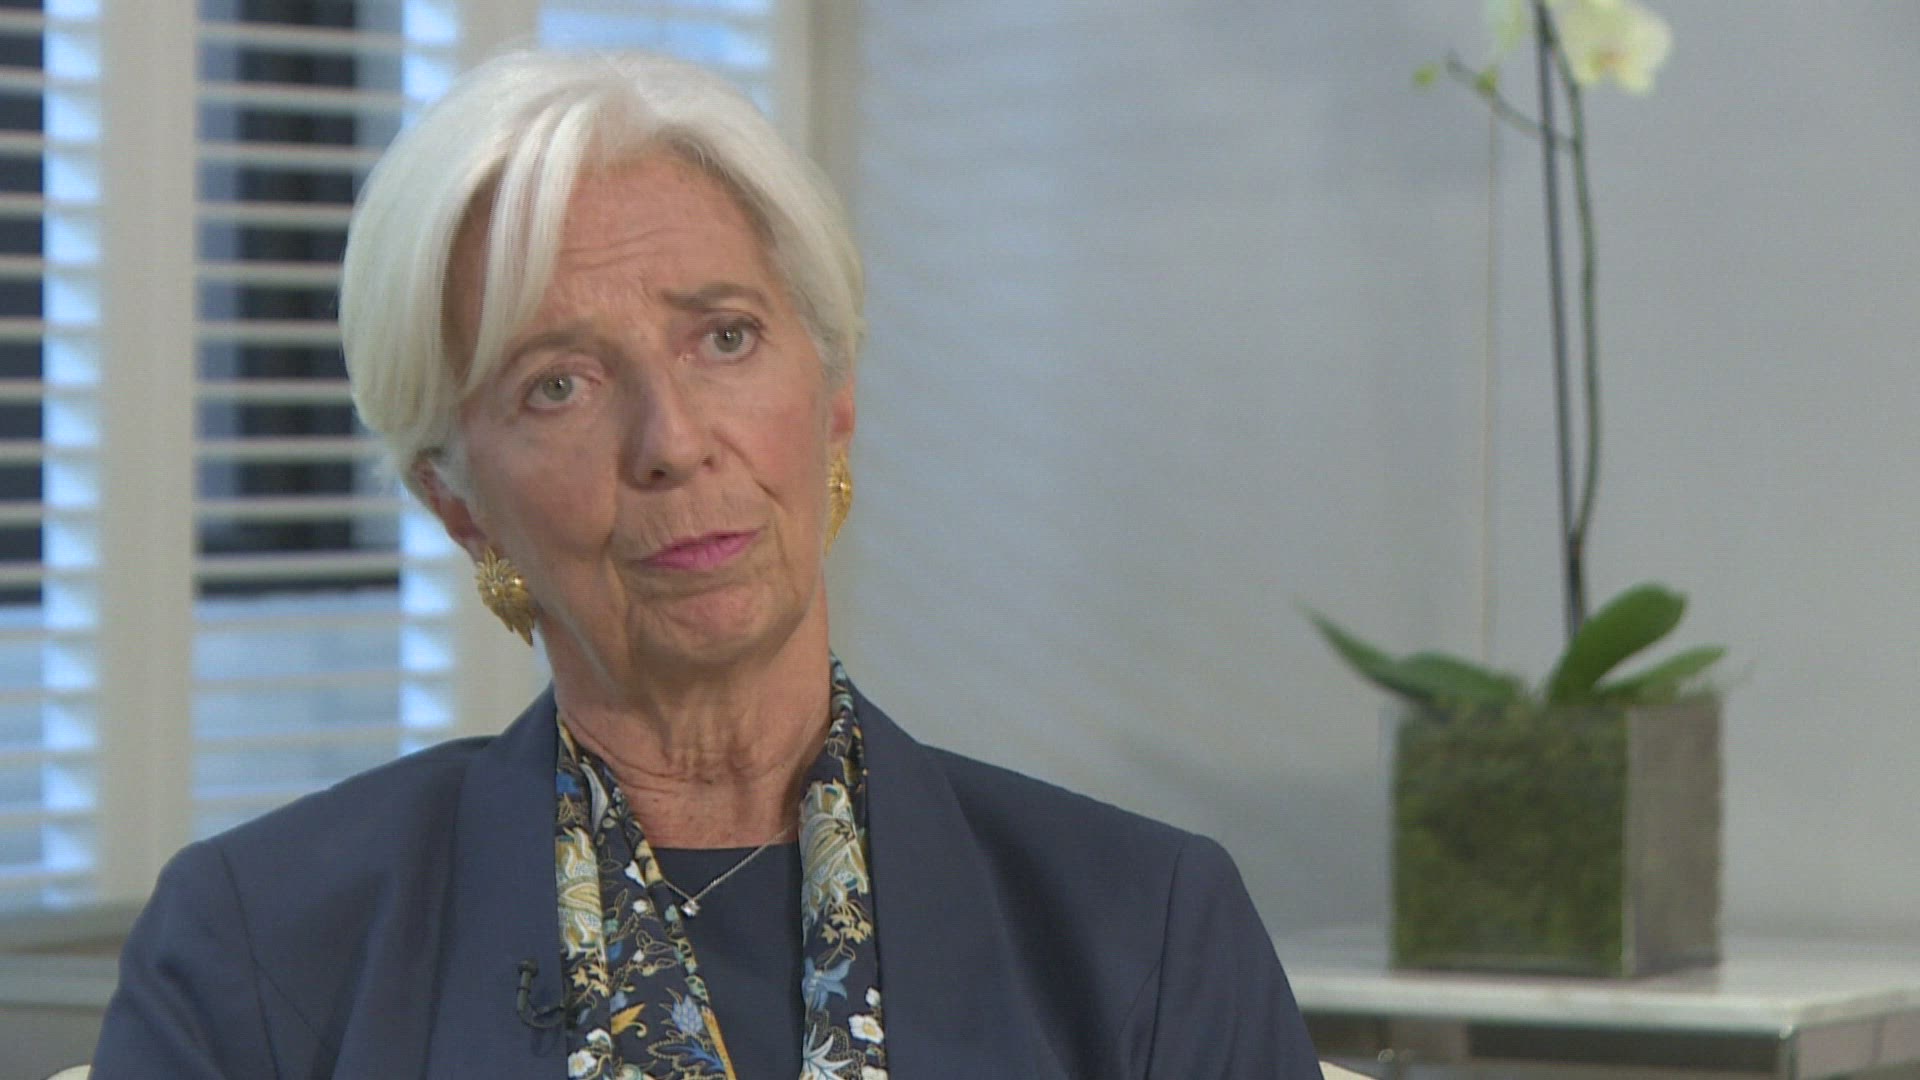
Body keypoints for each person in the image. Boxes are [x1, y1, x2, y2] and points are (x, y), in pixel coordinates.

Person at [91, 49, 1321, 1078]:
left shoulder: (1145, 931)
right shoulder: (260, 951)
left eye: (724, 338)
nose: (672, 442)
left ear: (833, 401)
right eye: (559, 385)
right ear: (458, 504)